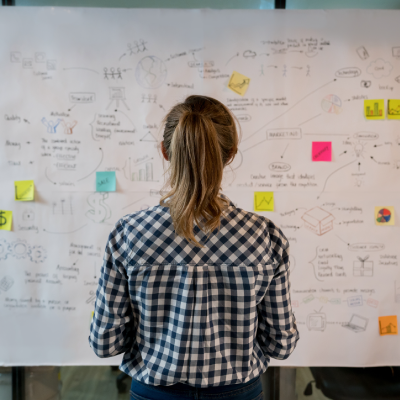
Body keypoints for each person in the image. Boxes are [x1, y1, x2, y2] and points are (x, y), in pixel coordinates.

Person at [89, 95, 299, 400]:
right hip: (237, 393)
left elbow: (104, 342)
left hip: (154, 393)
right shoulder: (265, 235)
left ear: (165, 151)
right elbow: (281, 344)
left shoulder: (128, 234)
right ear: (229, 155)